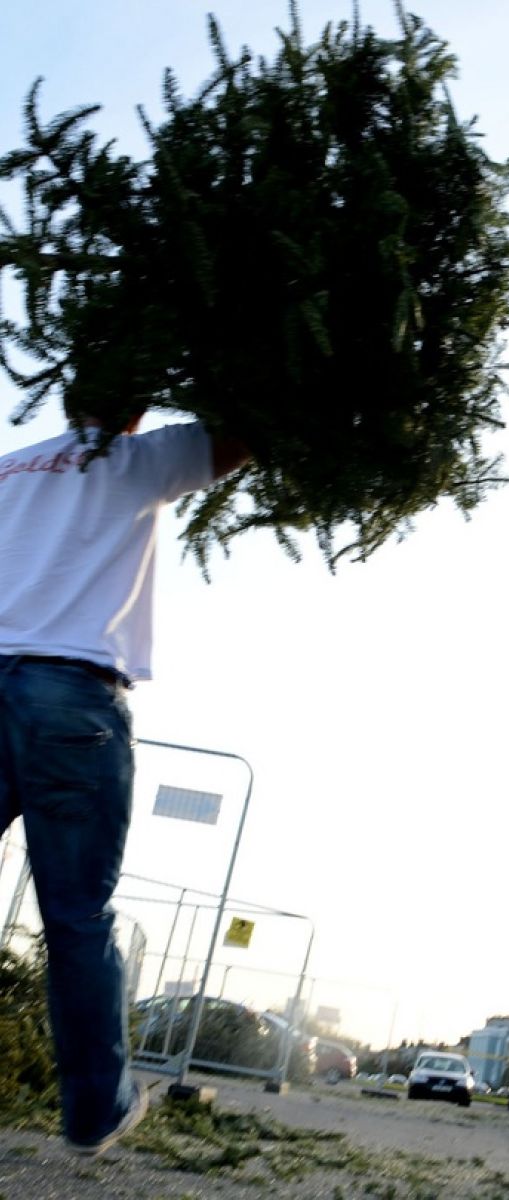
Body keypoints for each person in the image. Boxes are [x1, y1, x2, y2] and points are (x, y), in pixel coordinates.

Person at [0, 412, 247, 1155]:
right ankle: (94, 1108)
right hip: (70, 701)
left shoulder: (9, 467)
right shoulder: (140, 457)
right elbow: (254, 425)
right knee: (76, 917)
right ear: (134, 402)